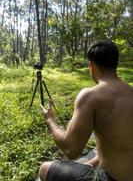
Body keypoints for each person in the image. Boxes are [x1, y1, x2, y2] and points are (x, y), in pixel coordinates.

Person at [39, 40, 133, 181]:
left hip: (112, 178)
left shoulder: (90, 96)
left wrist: (50, 120)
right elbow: (119, 142)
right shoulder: (130, 91)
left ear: (91, 65)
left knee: (44, 168)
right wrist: (90, 163)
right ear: (116, 64)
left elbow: (71, 150)